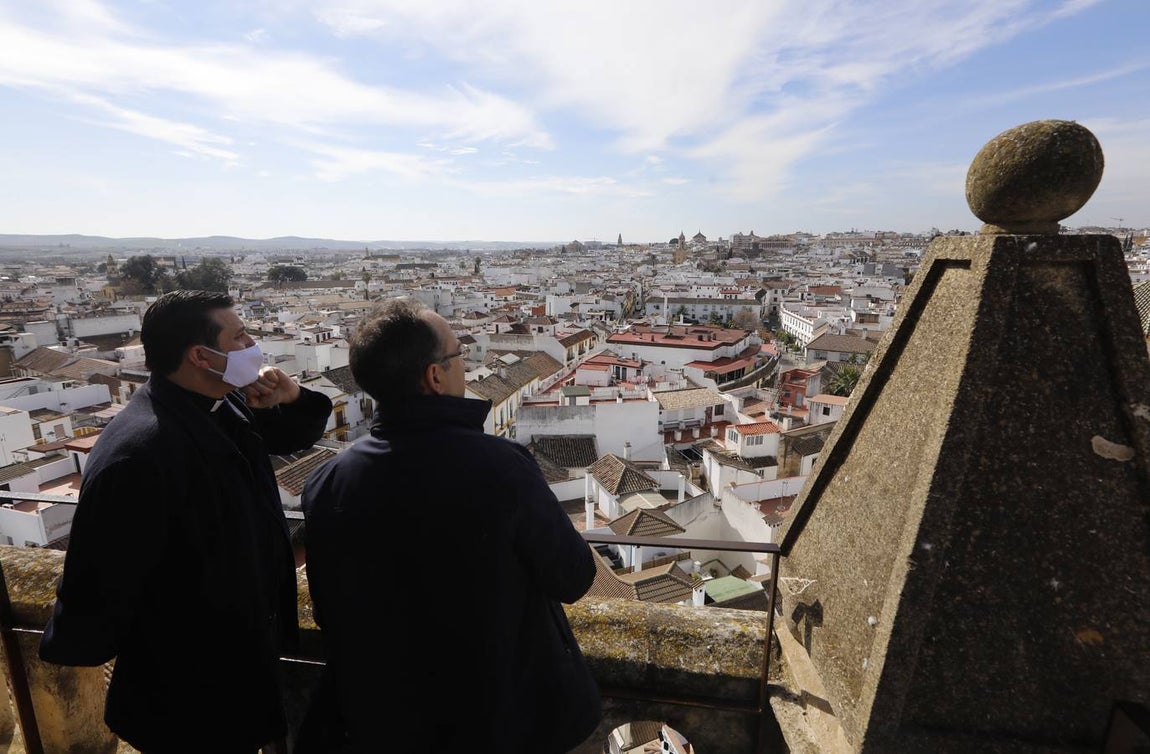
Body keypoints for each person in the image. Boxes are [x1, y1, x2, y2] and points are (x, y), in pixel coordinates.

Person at [297, 297, 601, 753]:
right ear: (434, 376)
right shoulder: (502, 468)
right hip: (500, 720)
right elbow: (574, 577)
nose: (467, 367)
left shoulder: (328, 482)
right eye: (459, 354)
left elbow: (328, 608)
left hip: (385, 721)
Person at [39, 289, 333, 754]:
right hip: (186, 693)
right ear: (201, 355)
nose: (253, 345)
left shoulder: (222, 402)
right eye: (240, 337)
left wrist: (292, 395)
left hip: (237, 666)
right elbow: (98, 586)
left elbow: (294, 434)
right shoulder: (139, 455)